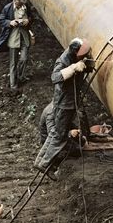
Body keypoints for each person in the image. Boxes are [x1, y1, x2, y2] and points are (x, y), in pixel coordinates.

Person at [34, 38, 91, 179]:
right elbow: (55, 77)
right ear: (74, 51)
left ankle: (39, 161)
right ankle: (45, 163)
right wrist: (72, 69)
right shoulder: (63, 61)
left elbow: (87, 66)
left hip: (71, 101)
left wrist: (86, 64)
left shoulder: (76, 55)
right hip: (64, 103)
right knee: (59, 136)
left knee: (56, 134)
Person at [0, 0, 33, 92]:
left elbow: (31, 18)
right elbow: (1, 20)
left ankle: (21, 76)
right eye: (20, 4)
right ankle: (13, 84)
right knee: (13, 62)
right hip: (13, 38)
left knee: (24, 58)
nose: (22, 5)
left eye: (23, 4)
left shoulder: (26, 6)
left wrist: (28, 21)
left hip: (24, 37)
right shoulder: (7, 8)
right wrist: (10, 22)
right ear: (15, 1)